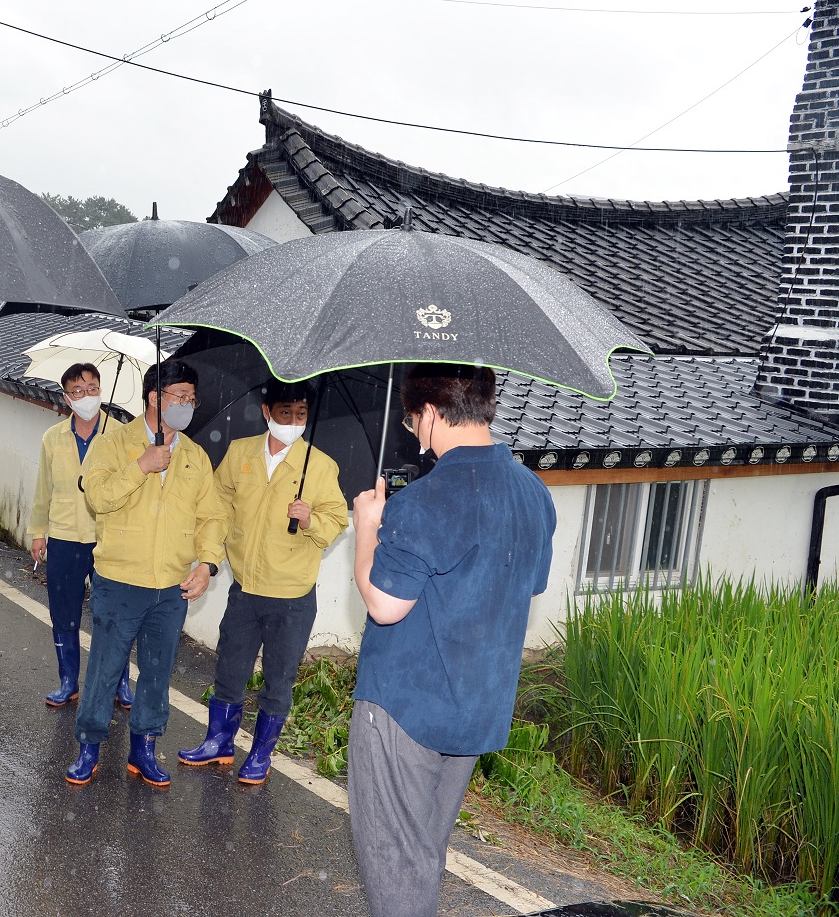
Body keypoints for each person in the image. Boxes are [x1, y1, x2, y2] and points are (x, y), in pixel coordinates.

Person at [347, 365, 555, 917]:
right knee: (424, 854)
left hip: (406, 708)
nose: (414, 433)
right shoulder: (534, 493)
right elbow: (527, 586)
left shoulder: (425, 500)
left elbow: (384, 605)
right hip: (474, 710)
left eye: (414, 420)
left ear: (433, 414)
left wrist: (367, 526)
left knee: (396, 863)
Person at [65, 359, 226, 787]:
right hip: (120, 581)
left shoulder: (194, 456)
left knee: (157, 672)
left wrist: (208, 564)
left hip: (171, 586)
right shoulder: (113, 443)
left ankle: (144, 749)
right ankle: (89, 746)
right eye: (180, 397)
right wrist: (141, 465)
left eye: (192, 399)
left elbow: (213, 517)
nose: (187, 406)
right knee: (104, 668)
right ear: (155, 397)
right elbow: (96, 496)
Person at [179, 379, 349, 783]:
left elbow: (337, 520)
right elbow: (218, 508)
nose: (293, 422)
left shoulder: (320, 466)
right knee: (230, 667)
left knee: (279, 678)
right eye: (285, 413)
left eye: (301, 415)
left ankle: (260, 753)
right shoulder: (240, 453)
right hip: (245, 590)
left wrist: (311, 519)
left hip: (292, 597)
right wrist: (209, 559)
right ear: (267, 412)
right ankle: (218, 741)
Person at [27, 362, 133, 709]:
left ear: (101, 391)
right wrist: (38, 531)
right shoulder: (51, 438)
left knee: (113, 615)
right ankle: (68, 680)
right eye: (77, 391)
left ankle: (119, 683)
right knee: (64, 612)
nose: (86, 396)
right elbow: (44, 488)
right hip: (63, 535)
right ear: (66, 398)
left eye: (92, 389)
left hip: (109, 539)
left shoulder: (120, 435)